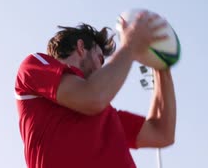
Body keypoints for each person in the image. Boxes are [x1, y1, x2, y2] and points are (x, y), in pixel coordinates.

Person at [14, 11, 176, 168]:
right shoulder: (34, 64)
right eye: (100, 58)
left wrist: (161, 65)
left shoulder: (108, 116)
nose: (101, 67)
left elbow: (162, 134)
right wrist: (131, 45)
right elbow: (92, 97)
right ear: (81, 47)